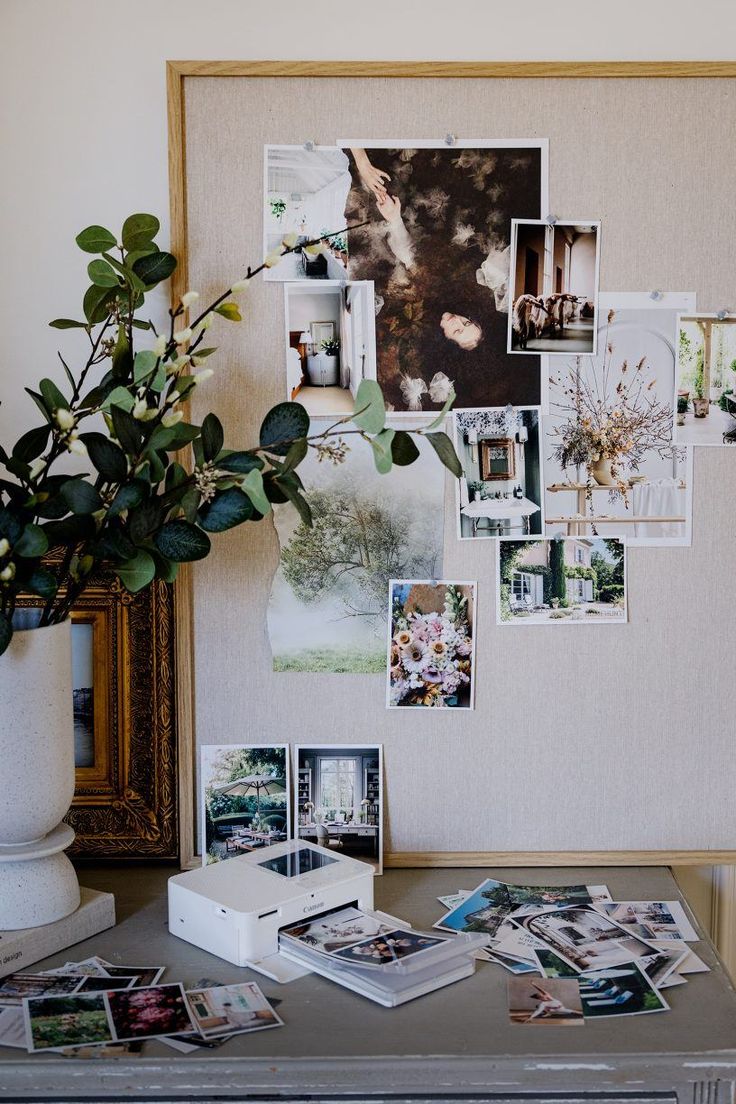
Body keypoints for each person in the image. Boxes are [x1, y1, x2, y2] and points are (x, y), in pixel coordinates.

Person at [346, 146, 542, 410]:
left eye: (457, 331)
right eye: (466, 321)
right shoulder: (450, 286)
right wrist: (394, 218)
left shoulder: (411, 331)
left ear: (447, 344)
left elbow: (409, 266)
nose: (455, 321)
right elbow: (414, 260)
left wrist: (391, 220)